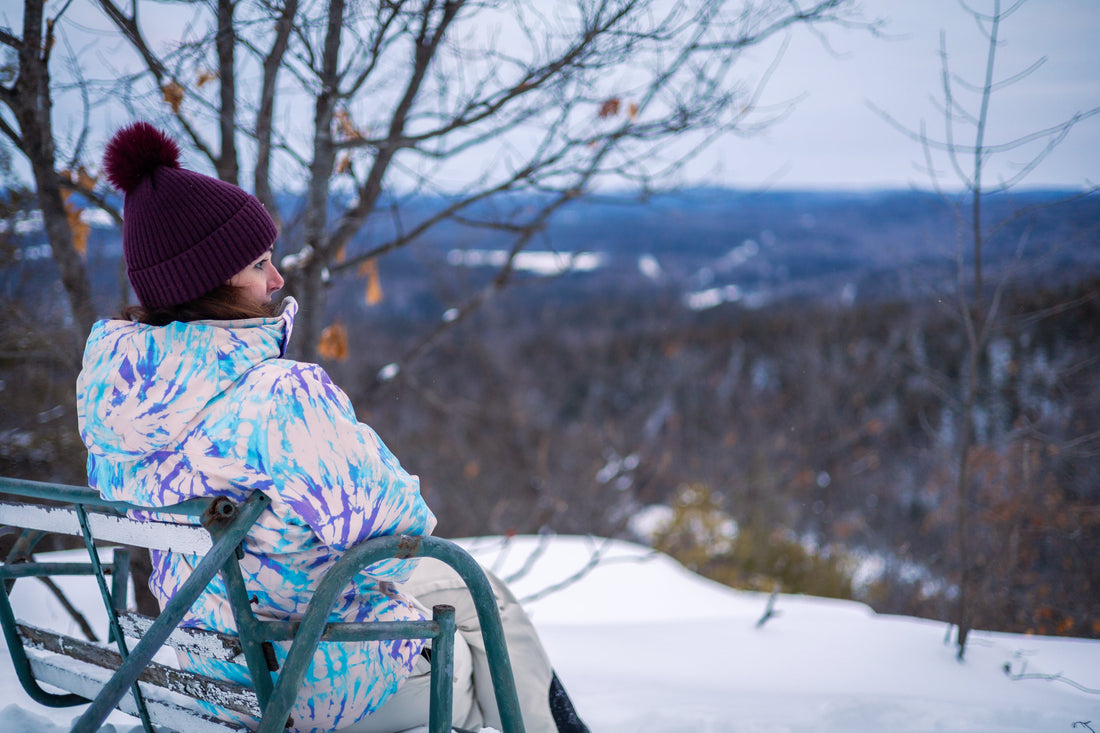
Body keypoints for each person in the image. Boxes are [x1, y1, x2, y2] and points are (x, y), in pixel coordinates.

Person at [76, 121, 588, 733]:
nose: (277, 280)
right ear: (210, 284)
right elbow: (398, 534)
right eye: (259, 264)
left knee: (466, 589)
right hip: (305, 688)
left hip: (211, 670)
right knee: (482, 627)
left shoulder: (112, 403)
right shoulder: (280, 397)